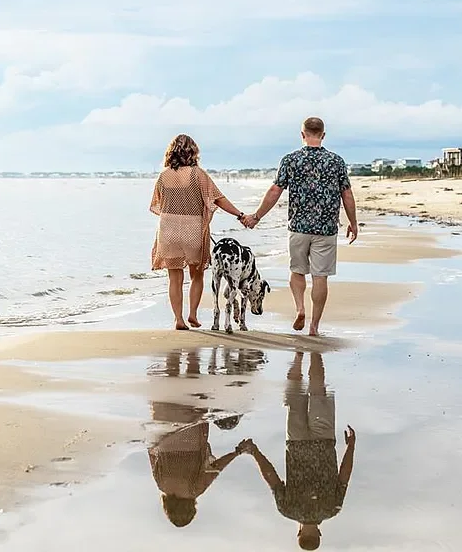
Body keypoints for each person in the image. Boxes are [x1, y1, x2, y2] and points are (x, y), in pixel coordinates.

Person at [242, 117, 357, 336]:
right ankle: (314, 326)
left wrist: (256, 216)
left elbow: (275, 191)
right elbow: (347, 194)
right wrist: (353, 222)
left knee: (297, 271)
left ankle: (300, 308)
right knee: (320, 276)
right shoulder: (336, 161)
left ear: (302, 134)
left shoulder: (290, 160)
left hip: (298, 227)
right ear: (323, 135)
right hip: (326, 229)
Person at [237, 351, 356, 550]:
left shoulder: (332, 508)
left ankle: (314, 349)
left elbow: (344, 476)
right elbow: (271, 477)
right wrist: (254, 451)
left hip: (323, 441)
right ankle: (298, 357)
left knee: (318, 390)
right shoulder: (288, 509)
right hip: (297, 442)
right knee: (294, 396)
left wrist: (350, 447)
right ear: (299, 532)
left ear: (319, 533)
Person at [150, 134, 247, 330]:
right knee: (197, 274)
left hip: (168, 229)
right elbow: (218, 199)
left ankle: (178, 319)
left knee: (174, 277)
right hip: (192, 230)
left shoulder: (163, 176)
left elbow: (157, 205)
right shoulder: (197, 174)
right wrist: (240, 214)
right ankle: (193, 314)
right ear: (193, 151)